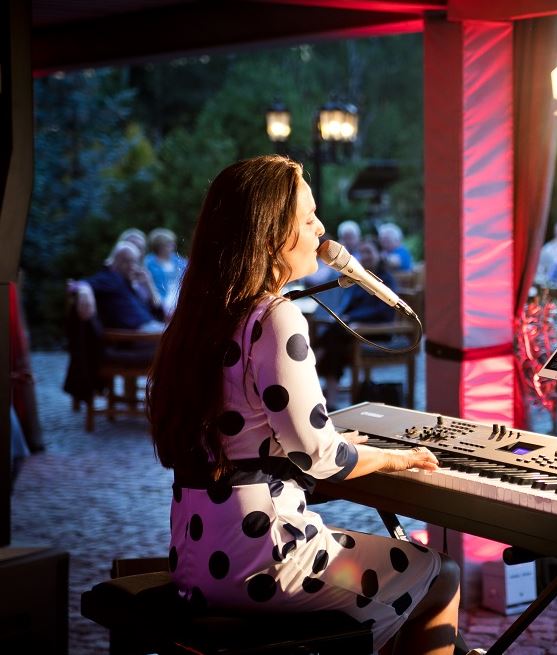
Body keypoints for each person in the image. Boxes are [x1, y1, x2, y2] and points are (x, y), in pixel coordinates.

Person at [147, 155, 466, 655]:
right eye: (308, 217)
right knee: (435, 571)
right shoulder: (275, 317)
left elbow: (247, 437)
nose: (321, 228)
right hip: (267, 560)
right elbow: (321, 457)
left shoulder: (201, 316)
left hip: (197, 557)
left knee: (393, 583)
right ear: (272, 234)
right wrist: (397, 456)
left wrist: (322, 444)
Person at [315, 239, 397, 396]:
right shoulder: (359, 277)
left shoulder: (386, 279)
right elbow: (348, 304)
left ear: (379, 254)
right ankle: (329, 388)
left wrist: (350, 318)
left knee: (335, 335)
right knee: (335, 339)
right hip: (353, 329)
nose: (365, 256)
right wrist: (342, 316)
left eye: (369, 252)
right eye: (362, 252)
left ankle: (315, 369)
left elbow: (383, 311)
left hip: (376, 329)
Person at [83, 240, 165, 331]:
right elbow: (83, 284)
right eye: (126, 261)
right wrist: (84, 290)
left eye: (134, 262)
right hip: (135, 335)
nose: (131, 266)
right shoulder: (109, 278)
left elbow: (159, 310)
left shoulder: (129, 282)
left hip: (149, 329)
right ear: (114, 261)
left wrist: (148, 284)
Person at [144, 227, 188, 317]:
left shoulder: (179, 260)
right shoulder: (149, 262)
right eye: (169, 244)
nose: (173, 246)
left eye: (172, 243)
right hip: (159, 301)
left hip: (180, 298)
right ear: (159, 246)